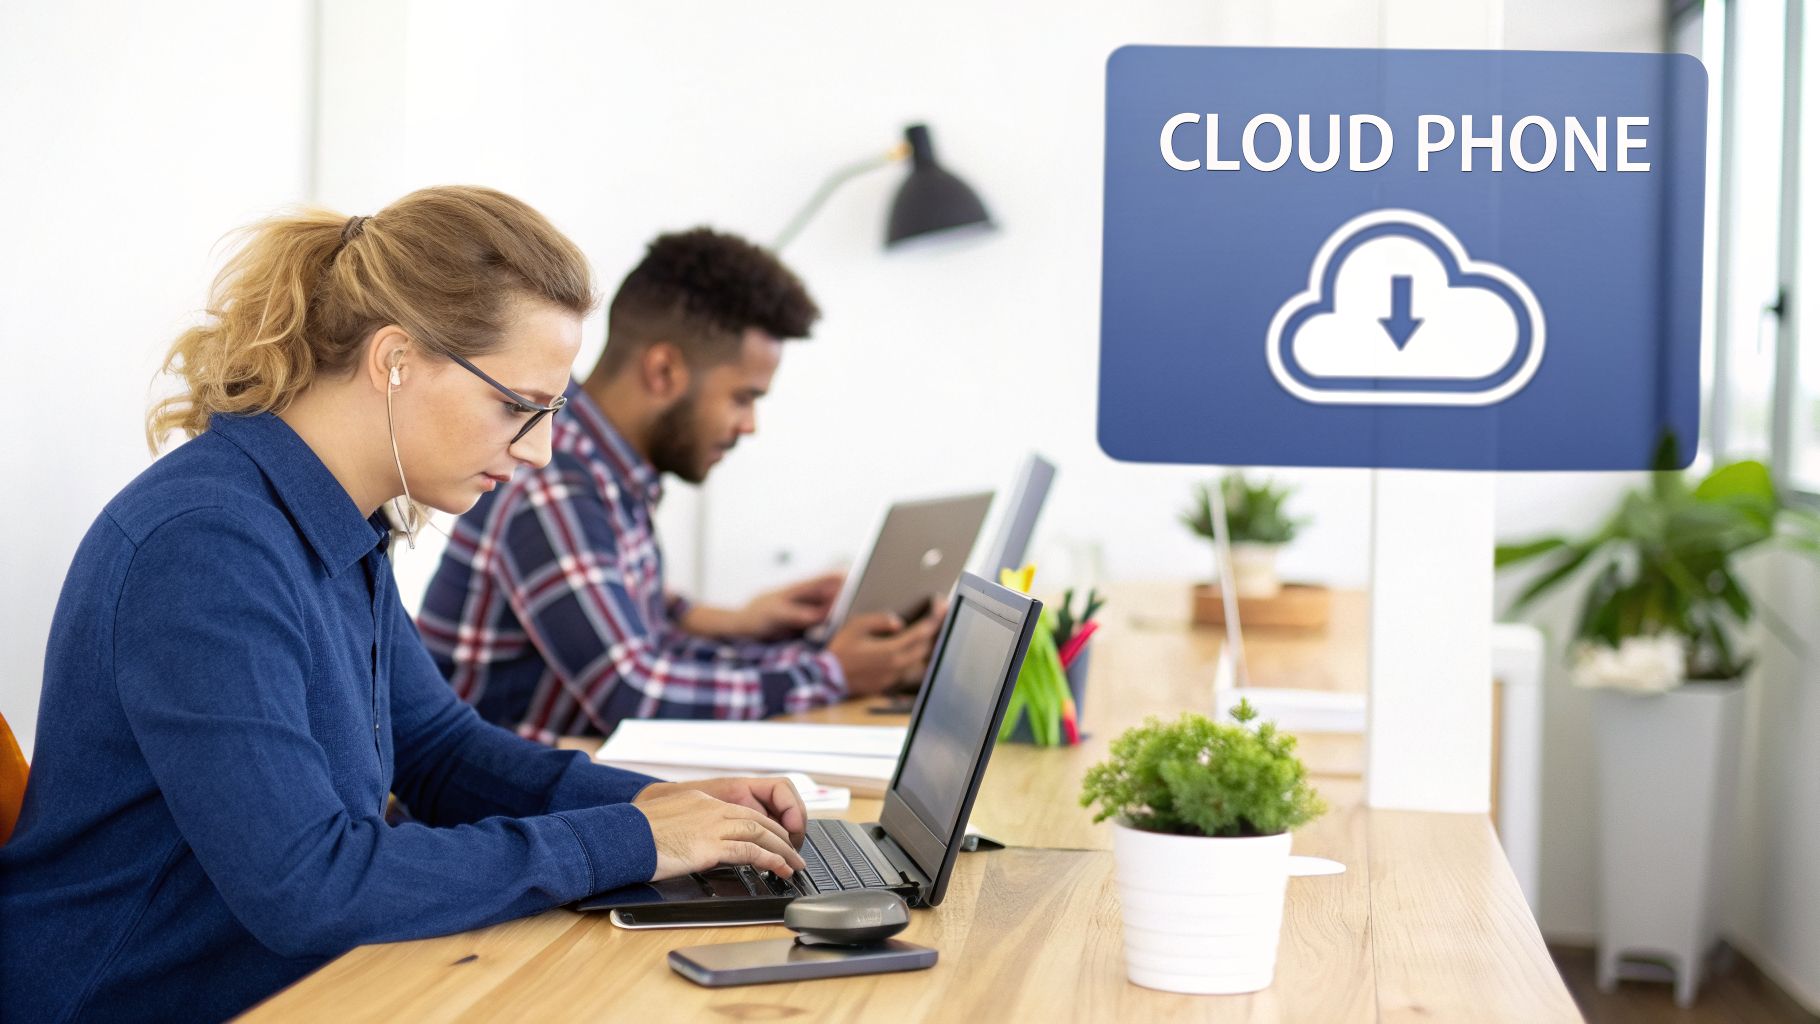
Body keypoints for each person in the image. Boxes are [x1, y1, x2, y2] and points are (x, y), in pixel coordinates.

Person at [0, 187, 811, 1023]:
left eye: (553, 410)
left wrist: (657, 806)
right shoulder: (209, 546)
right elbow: (308, 885)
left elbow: (440, 751)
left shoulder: (327, 518)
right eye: (518, 407)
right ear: (395, 360)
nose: (540, 451)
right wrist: (628, 843)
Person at [418, 228, 940, 743]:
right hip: (496, 812)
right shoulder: (555, 480)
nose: (750, 424)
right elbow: (634, 692)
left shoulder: (604, 471)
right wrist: (832, 672)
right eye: (742, 397)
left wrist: (781, 637)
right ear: (664, 371)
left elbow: (649, 636)